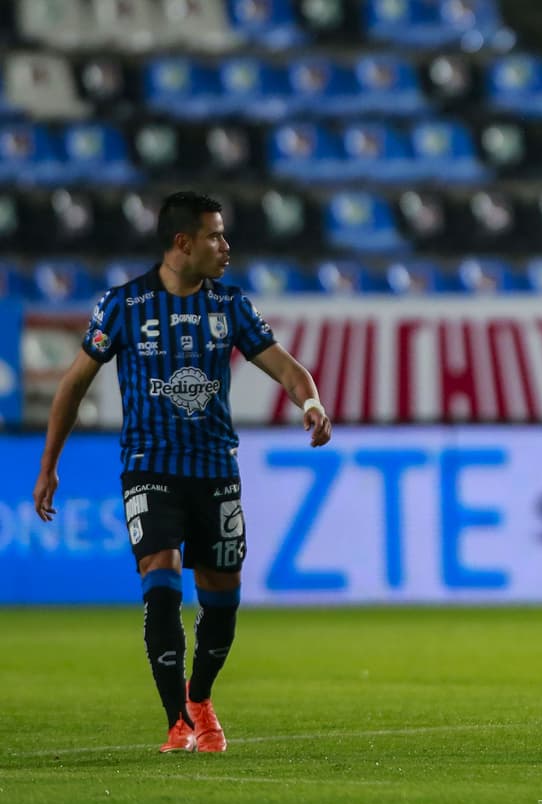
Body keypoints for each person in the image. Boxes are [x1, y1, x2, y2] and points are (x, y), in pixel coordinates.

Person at [32, 191, 333, 753]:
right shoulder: (123, 306)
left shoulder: (231, 306)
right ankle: (177, 720)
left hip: (216, 468)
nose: (226, 246)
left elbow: (288, 369)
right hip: (149, 466)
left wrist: (310, 403)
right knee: (161, 580)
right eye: (215, 235)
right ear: (182, 243)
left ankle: (200, 695)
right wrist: (48, 465)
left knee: (222, 595)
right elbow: (73, 385)